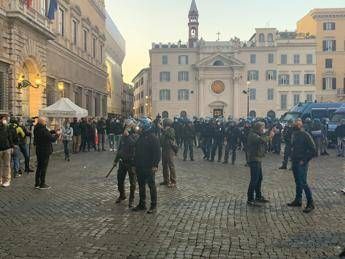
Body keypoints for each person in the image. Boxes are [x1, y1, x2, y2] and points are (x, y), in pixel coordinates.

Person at [287, 118, 317, 213]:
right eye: (295, 122)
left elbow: (313, 150)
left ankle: (310, 203)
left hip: (302, 162)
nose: (296, 124)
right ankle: (298, 200)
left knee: (303, 182)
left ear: (301, 124)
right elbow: (291, 145)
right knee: (297, 182)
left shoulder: (305, 135)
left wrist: (304, 160)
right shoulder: (294, 134)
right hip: (295, 161)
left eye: (298, 122)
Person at [133, 117, 161, 214]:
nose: (138, 128)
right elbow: (136, 152)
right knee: (141, 186)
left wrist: (155, 165)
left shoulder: (153, 138)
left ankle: (153, 205)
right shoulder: (140, 137)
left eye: (140, 126)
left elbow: (157, 153)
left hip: (149, 166)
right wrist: (134, 165)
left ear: (145, 126)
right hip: (140, 166)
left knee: (151, 186)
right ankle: (142, 204)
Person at [113, 119, 138, 208]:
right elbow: (120, 149)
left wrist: (128, 136)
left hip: (131, 162)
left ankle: (131, 199)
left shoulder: (135, 136)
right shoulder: (123, 137)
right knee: (120, 180)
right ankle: (122, 195)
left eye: (128, 127)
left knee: (133, 183)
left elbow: (134, 145)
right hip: (122, 162)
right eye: (125, 127)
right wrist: (116, 160)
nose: (126, 129)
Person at [246, 121, 270, 207]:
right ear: (258, 128)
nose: (263, 129)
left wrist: (266, 133)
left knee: (259, 178)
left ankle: (258, 196)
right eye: (262, 128)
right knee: (254, 179)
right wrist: (269, 136)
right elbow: (261, 140)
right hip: (254, 159)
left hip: (258, 158)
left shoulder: (257, 134)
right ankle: (250, 198)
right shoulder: (253, 135)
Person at [33, 117, 58, 190]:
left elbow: (47, 134)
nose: (46, 122)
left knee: (39, 167)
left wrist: (53, 131)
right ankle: (42, 184)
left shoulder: (37, 128)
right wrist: (57, 135)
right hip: (45, 151)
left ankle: (37, 183)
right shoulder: (43, 129)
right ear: (42, 122)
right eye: (45, 121)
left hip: (39, 150)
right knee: (43, 168)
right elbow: (52, 139)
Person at [160, 118, 177, 187]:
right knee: (164, 165)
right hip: (164, 149)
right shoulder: (164, 131)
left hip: (170, 149)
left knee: (171, 165)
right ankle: (166, 180)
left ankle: (173, 181)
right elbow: (161, 140)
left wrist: (164, 130)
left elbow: (171, 136)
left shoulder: (171, 130)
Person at [0, 114, 14, 187]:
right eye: (4, 119)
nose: (5, 120)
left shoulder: (7, 127)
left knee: (7, 165)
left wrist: (12, 147)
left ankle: (7, 180)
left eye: (5, 119)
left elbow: (10, 137)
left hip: (7, 148)